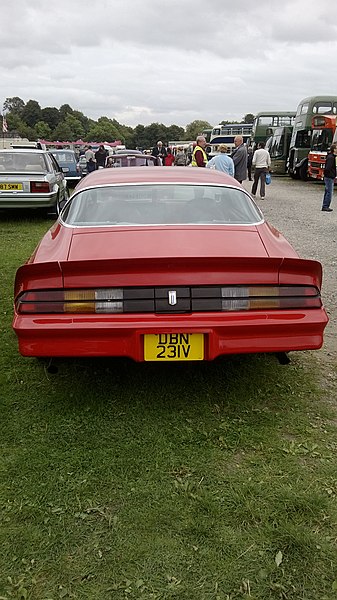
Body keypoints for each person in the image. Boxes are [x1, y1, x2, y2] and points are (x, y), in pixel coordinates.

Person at [321, 143, 337, 211]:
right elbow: (328, 168)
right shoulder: (331, 158)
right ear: (334, 149)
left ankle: (325, 205)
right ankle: (326, 206)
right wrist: (328, 174)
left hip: (329, 176)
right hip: (329, 177)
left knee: (327, 191)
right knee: (329, 192)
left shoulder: (331, 156)